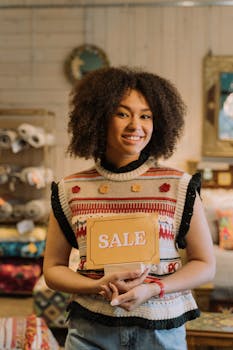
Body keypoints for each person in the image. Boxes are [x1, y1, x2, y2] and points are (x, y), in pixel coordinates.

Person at [43, 66, 215, 350]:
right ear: (98, 118)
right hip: (91, 330)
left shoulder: (178, 185)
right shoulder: (69, 189)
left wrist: (153, 288)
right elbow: (52, 269)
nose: (136, 125)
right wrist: (95, 285)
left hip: (160, 331)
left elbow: (205, 265)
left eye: (146, 115)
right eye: (123, 113)